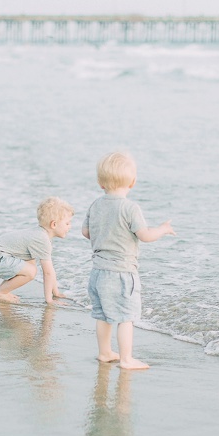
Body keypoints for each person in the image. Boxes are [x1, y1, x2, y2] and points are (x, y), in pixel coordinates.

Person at [82, 151, 175, 370]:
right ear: (132, 182)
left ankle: (105, 352)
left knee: (103, 315)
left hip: (97, 272)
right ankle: (126, 359)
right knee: (126, 317)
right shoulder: (130, 208)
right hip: (122, 273)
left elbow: (86, 232)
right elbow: (145, 235)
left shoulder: (95, 205)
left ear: (100, 183)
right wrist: (162, 229)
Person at [0, 196, 74, 304]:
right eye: (67, 223)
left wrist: (56, 293)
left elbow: (49, 271)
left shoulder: (40, 235)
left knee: (30, 267)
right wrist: (49, 300)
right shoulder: (41, 239)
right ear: (54, 224)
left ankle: (2, 291)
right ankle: (0, 293)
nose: (70, 226)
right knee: (30, 272)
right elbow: (48, 273)